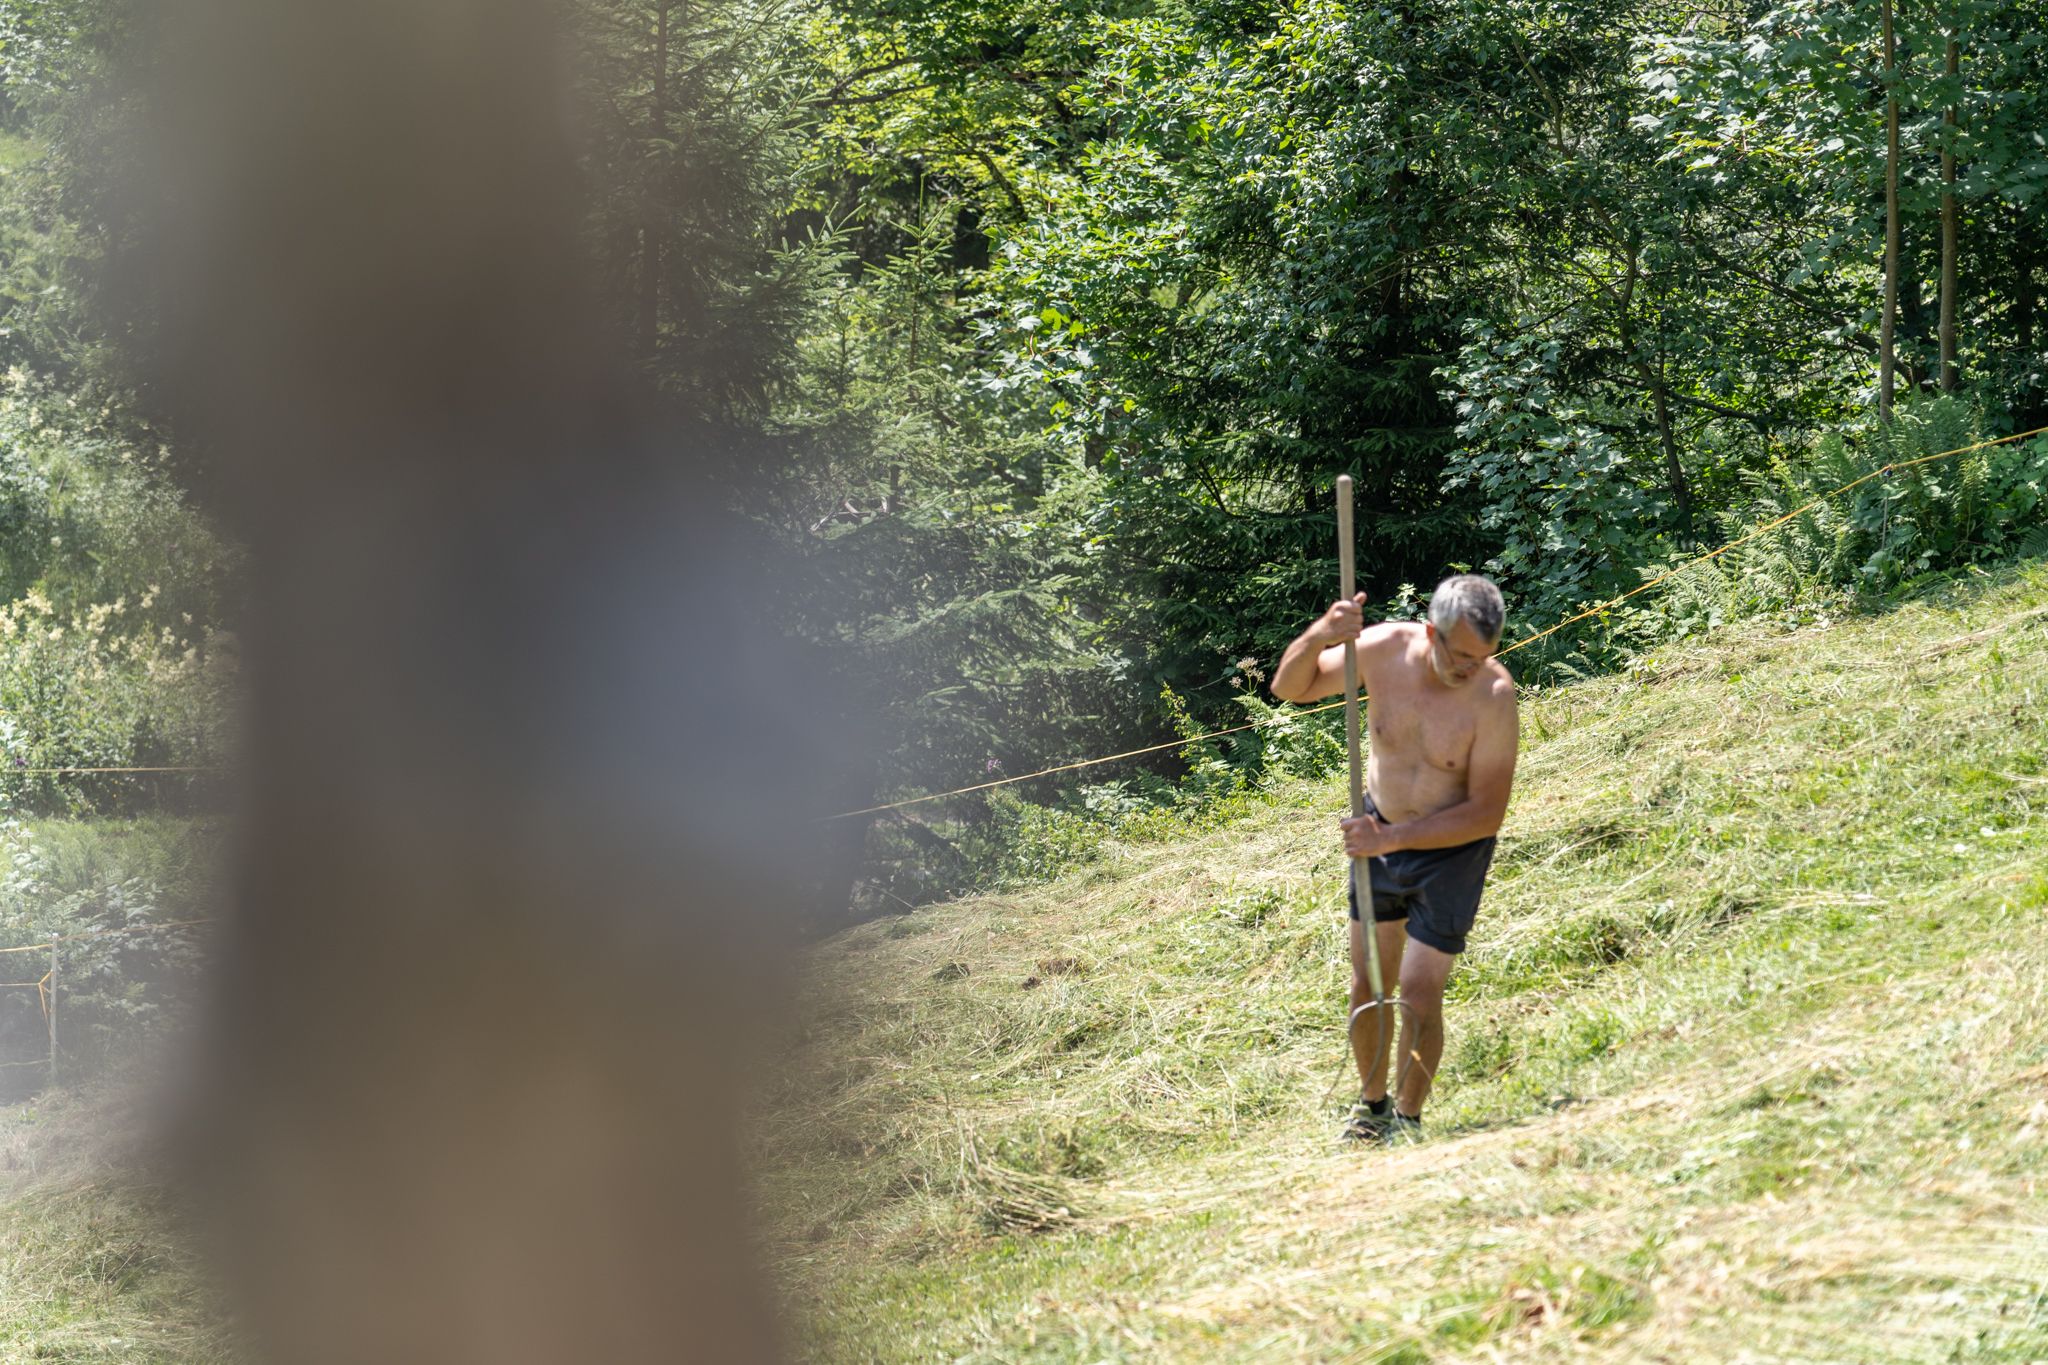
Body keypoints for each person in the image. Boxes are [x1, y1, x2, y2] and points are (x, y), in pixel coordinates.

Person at [1270, 574, 1519, 1142]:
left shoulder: (1493, 696)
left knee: (1418, 990)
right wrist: (1321, 636)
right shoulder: (1381, 651)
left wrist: (1391, 841)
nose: (1469, 669)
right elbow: (1291, 688)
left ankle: (1408, 1118)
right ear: (1430, 631)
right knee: (1367, 985)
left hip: (1451, 853)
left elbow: (1487, 813)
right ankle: (1371, 1108)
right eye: (1459, 656)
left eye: (1483, 657)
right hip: (1379, 833)